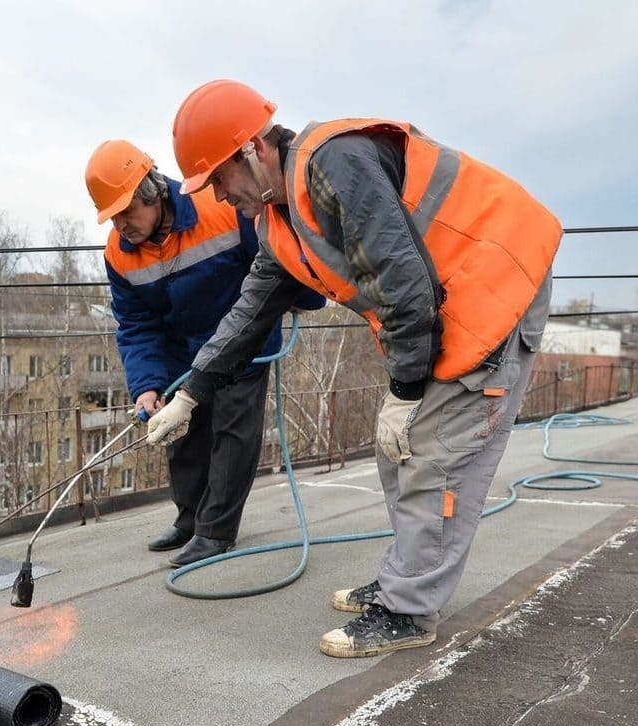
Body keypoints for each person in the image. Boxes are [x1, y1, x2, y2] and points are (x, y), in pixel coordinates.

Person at [148, 80, 560, 657]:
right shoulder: (277, 219)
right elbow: (253, 308)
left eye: (218, 179)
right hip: (444, 299)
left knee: (433, 454)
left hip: (495, 284)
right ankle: (404, 578)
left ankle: (408, 611)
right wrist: (192, 392)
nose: (218, 196)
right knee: (397, 453)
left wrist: (407, 389)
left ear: (252, 152)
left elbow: (401, 280)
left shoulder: (333, 162)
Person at [85, 139, 325, 567]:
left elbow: (277, 262)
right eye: (113, 216)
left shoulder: (222, 208)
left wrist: (305, 297)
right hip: (182, 349)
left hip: (241, 342)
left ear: (152, 191)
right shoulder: (117, 255)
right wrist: (147, 387)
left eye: (127, 212)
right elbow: (137, 324)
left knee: (233, 432)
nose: (121, 225)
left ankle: (216, 532)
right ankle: (189, 520)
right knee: (183, 436)